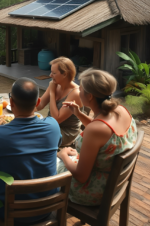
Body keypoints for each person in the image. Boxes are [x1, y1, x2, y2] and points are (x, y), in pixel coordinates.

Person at [0, 77, 62, 224]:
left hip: (9, 211)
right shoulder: (53, 126)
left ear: (11, 103)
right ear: (37, 103)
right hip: (47, 207)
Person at [57, 69, 138, 206]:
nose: (78, 92)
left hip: (94, 190)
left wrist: (63, 155)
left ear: (90, 97)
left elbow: (81, 177)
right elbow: (103, 131)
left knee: (49, 164)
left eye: (81, 89)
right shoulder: (121, 110)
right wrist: (78, 113)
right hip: (113, 181)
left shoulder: (95, 130)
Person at [36, 57, 83, 146]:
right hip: (49, 125)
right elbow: (40, 105)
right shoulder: (55, 84)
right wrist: (22, 104)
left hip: (66, 132)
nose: (50, 75)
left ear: (64, 74)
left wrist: (52, 93)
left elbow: (56, 120)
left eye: (54, 73)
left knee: (32, 135)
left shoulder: (75, 93)